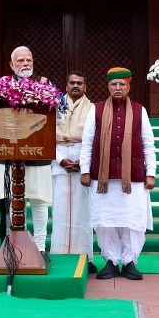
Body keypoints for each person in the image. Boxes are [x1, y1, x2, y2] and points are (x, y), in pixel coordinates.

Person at [80, 67, 156, 281]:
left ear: (129, 87)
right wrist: (85, 170)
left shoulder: (140, 110)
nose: (118, 88)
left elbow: (149, 144)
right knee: (105, 222)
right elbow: (87, 143)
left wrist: (151, 173)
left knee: (133, 220)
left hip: (133, 178)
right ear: (108, 87)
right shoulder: (96, 110)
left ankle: (130, 261)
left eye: (122, 84)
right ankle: (111, 261)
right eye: (114, 84)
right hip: (102, 178)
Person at [0, 45, 53, 261]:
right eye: (20, 61)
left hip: (38, 151)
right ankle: (15, 247)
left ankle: (39, 248)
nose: (25, 64)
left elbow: (56, 115)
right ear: (12, 65)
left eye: (28, 60)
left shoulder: (44, 85)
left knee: (38, 201)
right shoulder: (0, 87)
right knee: (12, 202)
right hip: (9, 153)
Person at [51, 70, 96, 273]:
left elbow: (95, 139)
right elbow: (45, 136)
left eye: (80, 83)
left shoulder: (93, 109)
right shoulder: (54, 106)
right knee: (60, 212)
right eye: (72, 82)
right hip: (59, 156)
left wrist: (82, 161)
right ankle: (59, 257)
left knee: (83, 213)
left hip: (82, 160)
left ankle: (86, 258)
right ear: (66, 85)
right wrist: (60, 159)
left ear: (85, 87)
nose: (76, 85)